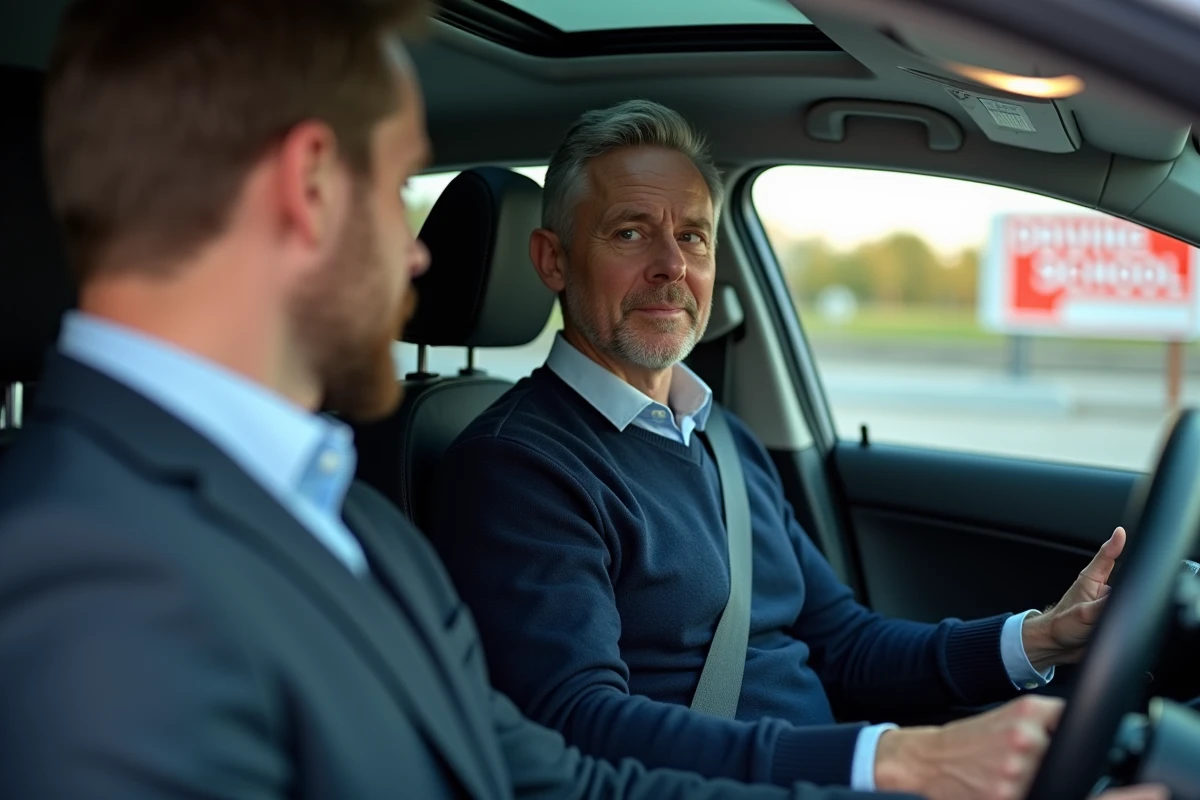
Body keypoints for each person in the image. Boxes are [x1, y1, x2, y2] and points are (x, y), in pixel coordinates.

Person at [0, 4, 940, 799]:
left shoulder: (357, 523)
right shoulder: (81, 575)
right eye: (398, 192)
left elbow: (560, 777)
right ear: (312, 186)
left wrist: (891, 766)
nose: (417, 257)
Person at [428, 99, 1143, 800]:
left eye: (696, 236)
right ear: (553, 260)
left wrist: (1043, 637)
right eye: (629, 233)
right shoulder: (516, 466)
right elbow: (579, 728)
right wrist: (889, 760)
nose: (672, 265)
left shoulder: (721, 437)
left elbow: (844, 643)